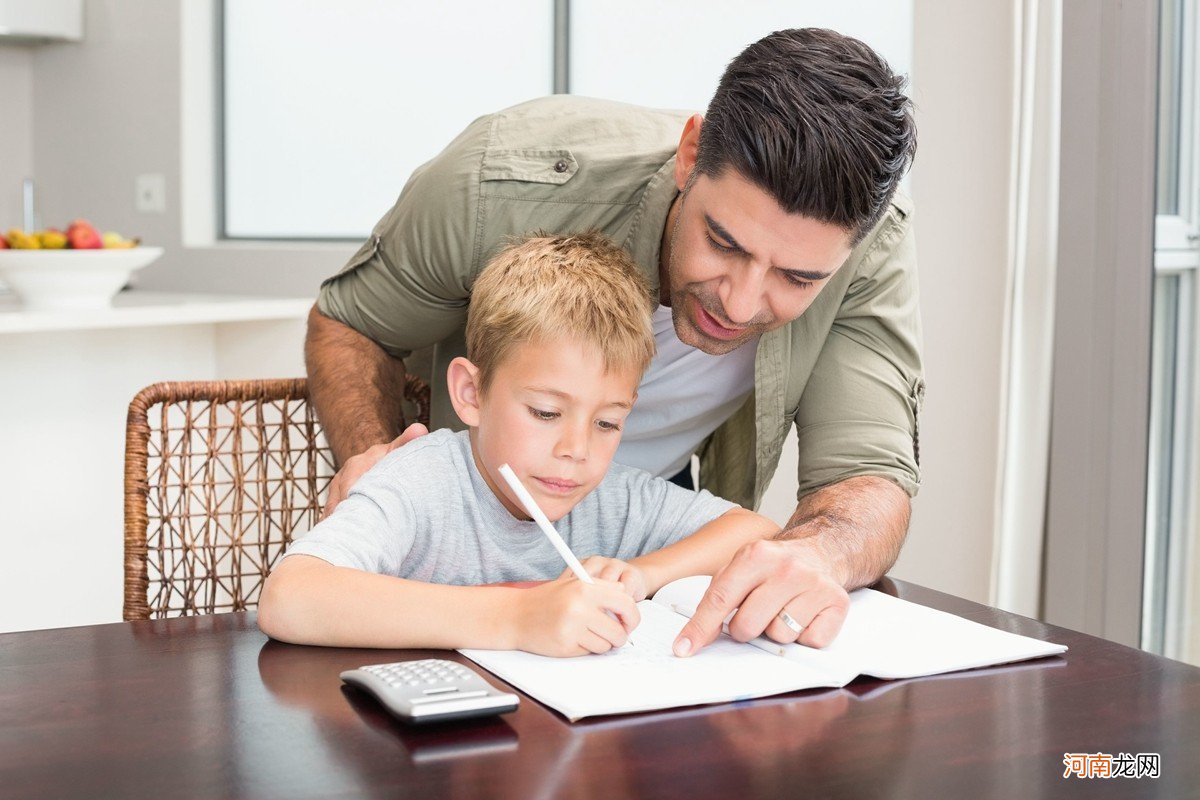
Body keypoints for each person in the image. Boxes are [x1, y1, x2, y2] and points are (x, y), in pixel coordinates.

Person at [304, 28, 921, 655]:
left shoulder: (870, 251)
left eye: (796, 278)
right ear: (690, 155)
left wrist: (815, 554)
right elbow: (353, 323)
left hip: (638, 542)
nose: (738, 305)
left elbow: (867, 476)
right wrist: (380, 461)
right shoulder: (496, 182)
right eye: (724, 243)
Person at [259, 233, 786, 656]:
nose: (577, 449)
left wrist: (645, 573)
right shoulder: (418, 483)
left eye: (607, 423)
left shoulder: (608, 497)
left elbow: (759, 533)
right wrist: (517, 619)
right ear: (471, 394)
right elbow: (289, 596)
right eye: (546, 413)